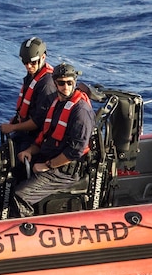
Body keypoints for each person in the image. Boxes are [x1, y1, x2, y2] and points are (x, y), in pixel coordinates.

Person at [12, 64, 96, 218]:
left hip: (64, 171)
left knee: (20, 195)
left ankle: (25, 230)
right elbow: (46, 136)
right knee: (12, 172)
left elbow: (74, 151)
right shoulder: (57, 103)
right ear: (55, 83)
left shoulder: (81, 111)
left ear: (74, 82)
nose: (66, 87)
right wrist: (30, 151)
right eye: (61, 83)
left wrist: (47, 165)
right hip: (48, 158)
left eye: (69, 83)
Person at [0, 36, 57, 154]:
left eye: (33, 62)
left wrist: (12, 128)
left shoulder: (47, 85)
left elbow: (38, 121)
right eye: (25, 62)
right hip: (24, 131)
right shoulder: (33, 75)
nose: (28, 66)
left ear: (43, 58)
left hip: (36, 137)